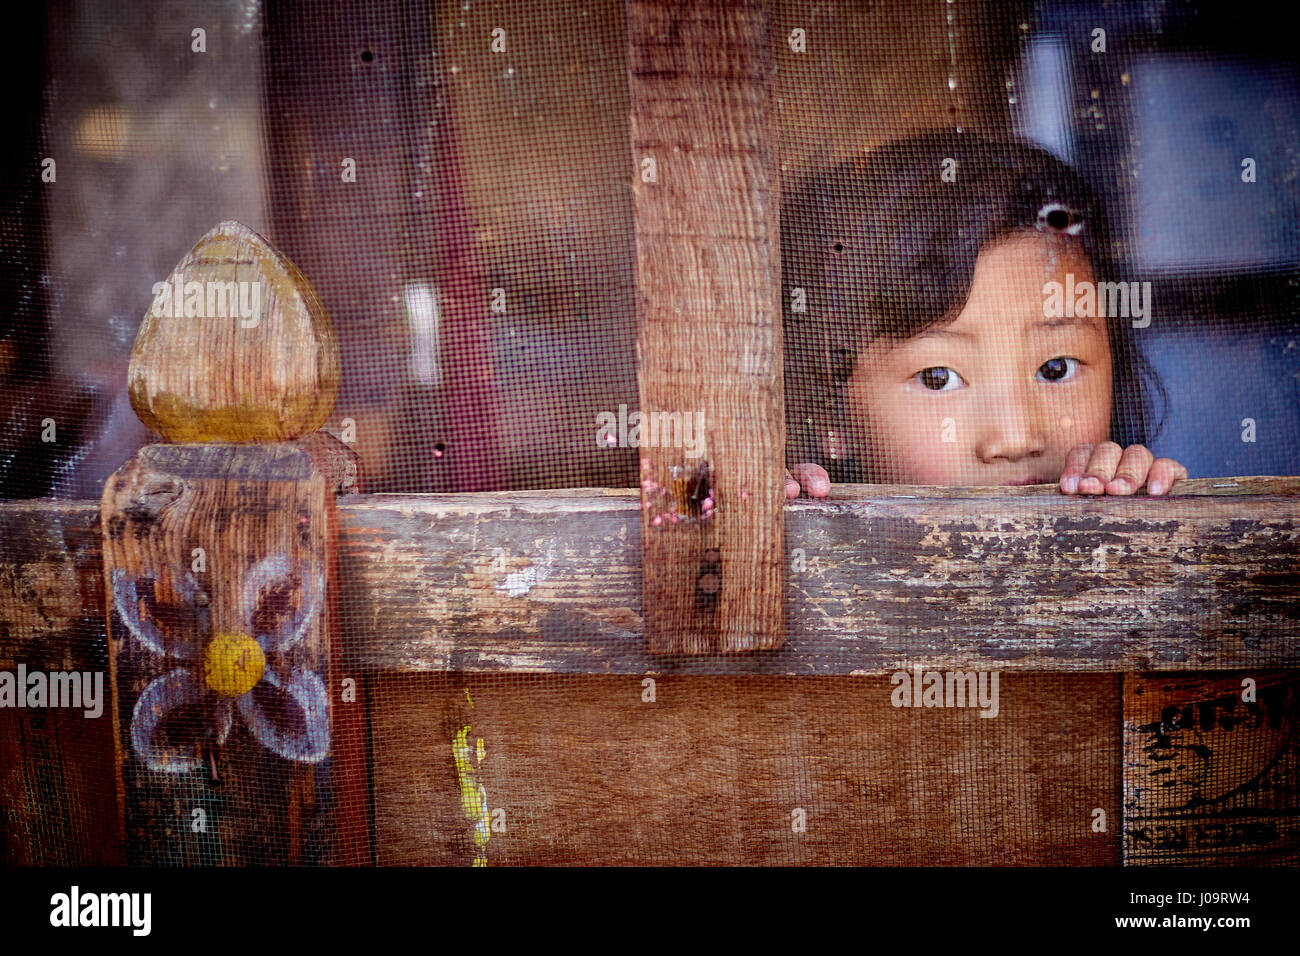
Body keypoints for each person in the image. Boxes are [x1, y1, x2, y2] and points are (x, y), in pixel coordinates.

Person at [781, 129, 1187, 499]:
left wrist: (1150, 511)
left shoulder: (1124, 513)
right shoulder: (809, 536)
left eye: (1056, 368)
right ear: (830, 415)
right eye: (938, 378)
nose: (1015, 438)